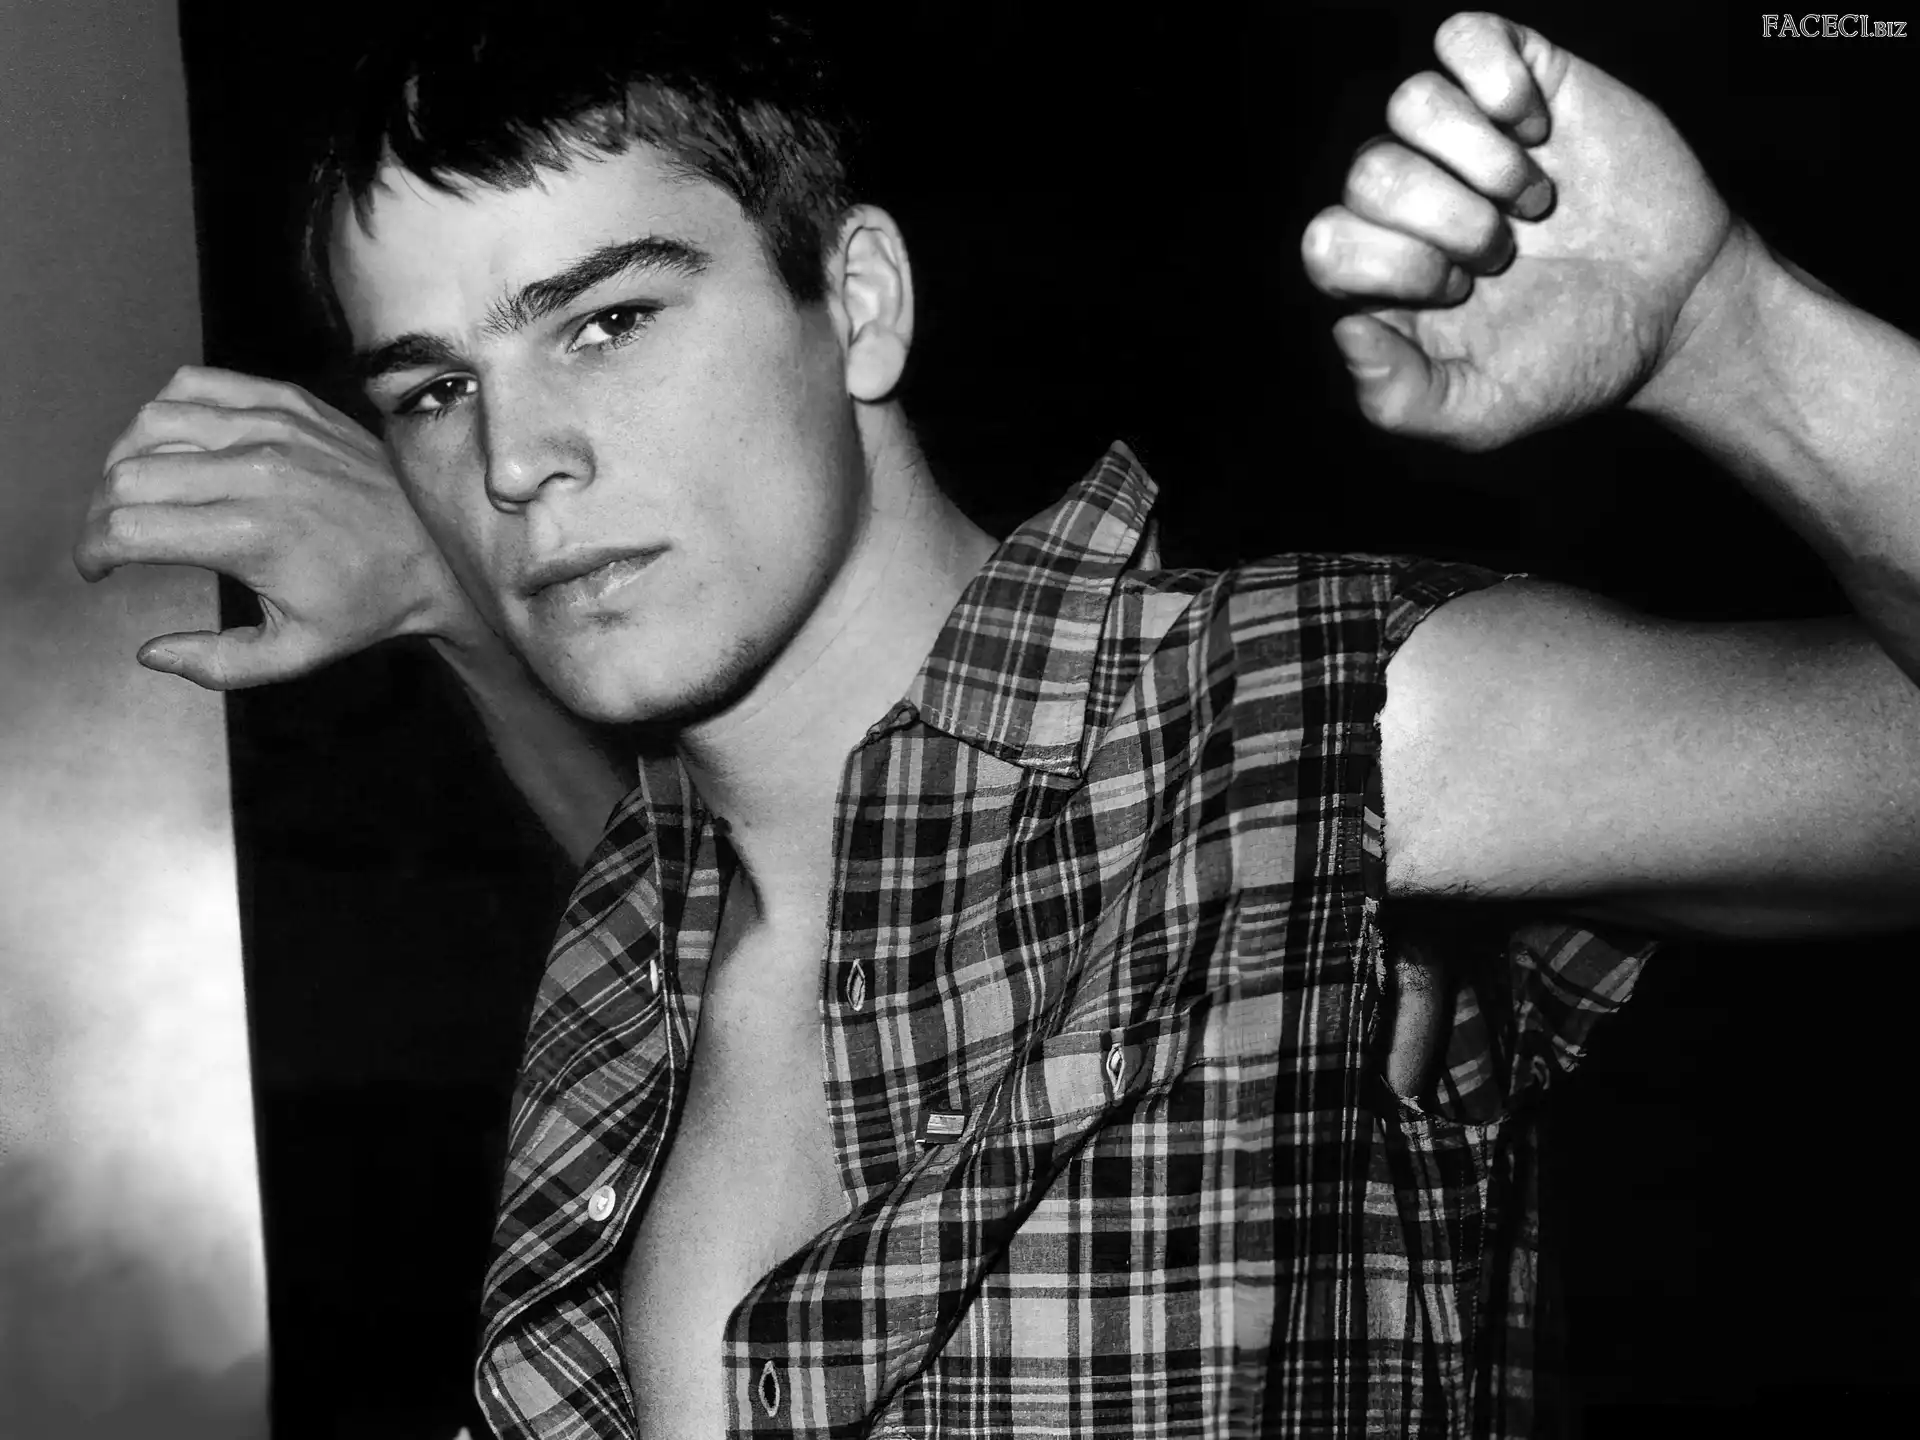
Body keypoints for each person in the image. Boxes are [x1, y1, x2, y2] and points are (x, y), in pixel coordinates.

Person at [75, 5, 1920, 1437]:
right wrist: (453, 610)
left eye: (607, 321)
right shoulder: (638, 926)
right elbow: (880, 915)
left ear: (859, 304)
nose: (513, 460)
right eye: (430, 389)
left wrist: (1734, 339)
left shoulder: (1289, 715)